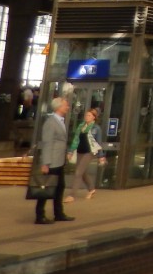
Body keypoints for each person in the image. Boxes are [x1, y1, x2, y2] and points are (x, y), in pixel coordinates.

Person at [34, 96, 74, 225]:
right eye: (66, 105)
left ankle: (59, 213)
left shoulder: (61, 121)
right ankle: (40, 215)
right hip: (52, 161)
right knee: (46, 188)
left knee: (59, 187)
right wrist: (45, 163)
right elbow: (47, 143)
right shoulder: (51, 122)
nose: (68, 107)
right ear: (59, 107)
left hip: (59, 161)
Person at [67, 108, 106, 199]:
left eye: (89, 115)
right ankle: (91, 189)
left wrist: (101, 156)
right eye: (86, 115)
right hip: (80, 151)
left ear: (94, 117)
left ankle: (72, 195)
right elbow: (76, 139)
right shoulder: (81, 126)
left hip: (89, 152)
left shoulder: (96, 128)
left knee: (78, 173)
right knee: (82, 172)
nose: (86, 117)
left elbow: (98, 143)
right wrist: (71, 151)